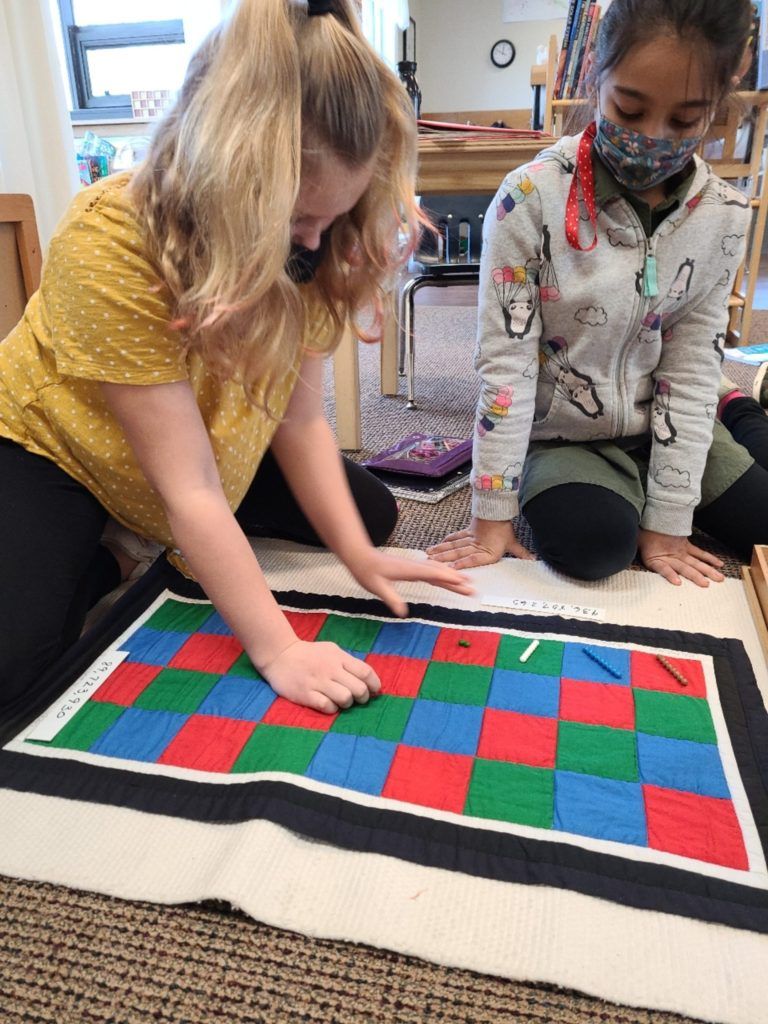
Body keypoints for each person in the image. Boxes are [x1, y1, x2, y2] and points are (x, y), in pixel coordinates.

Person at [0, 0, 473, 717]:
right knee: (17, 670)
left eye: (331, 218)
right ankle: (111, 555)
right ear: (224, 181)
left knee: (369, 517)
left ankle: (135, 544)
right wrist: (279, 648)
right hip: (63, 446)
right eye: (298, 220)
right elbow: (188, 487)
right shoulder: (107, 242)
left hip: (203, 433)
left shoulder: (319, 245)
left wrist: (357, 556)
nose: (312, 241)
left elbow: (299, 420)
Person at [429, 0, 768, 585]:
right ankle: (730, 411)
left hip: (665, 421)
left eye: (685, 120)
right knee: (594, 547)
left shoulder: (724, 216)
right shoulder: (529, 197)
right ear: (595, 73)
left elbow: (689, 372)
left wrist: (668, 517)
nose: (651, 137)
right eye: (629, 109)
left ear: (720, 100)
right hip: (563, 436)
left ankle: (737, 408)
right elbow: (505, 366)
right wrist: (493, 511)